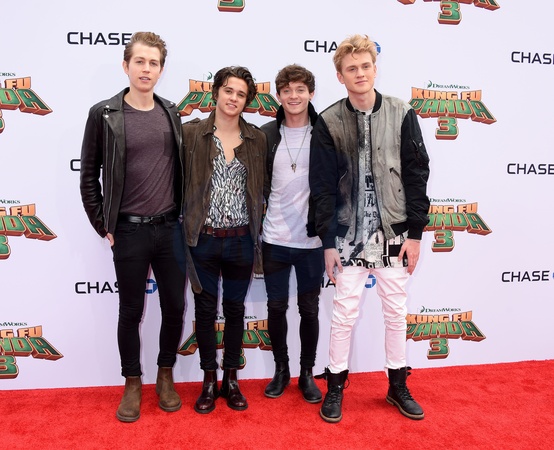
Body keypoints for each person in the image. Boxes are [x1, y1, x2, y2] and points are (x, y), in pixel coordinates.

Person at [309, 34, 430, 423]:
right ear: (340, 76)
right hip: (347, 236)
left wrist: (415, 234)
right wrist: (328, 242)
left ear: (375, 69)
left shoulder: (401, 112)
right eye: (351, 68)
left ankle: (397, 386)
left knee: (396, 312)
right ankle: (335, 387)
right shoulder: (328, 121)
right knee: (343, 314)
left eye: (365, 66)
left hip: (394, 233)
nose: (359, 73)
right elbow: (322, 187)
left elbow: (417, 174)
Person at [80, 32, 186, 423]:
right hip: (128, 231)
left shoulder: (171, 111)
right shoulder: (104, 114)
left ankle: (165, 375)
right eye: (139, 61)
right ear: (126, 66)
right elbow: (88, 175)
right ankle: (132, 381)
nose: (146, 69)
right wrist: (102, 224)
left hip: (170, 228)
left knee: (175, 306)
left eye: (153, 62)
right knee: (131, 310)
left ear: (161, 69)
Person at [182, 66, 266, 413]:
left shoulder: (256, 139)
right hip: (202, 239)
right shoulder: (191, 134)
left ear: (247, 101)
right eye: (228, 91)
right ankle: (208, 380)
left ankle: (231, 380)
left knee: (234, 310)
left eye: (241, 94)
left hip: (242, 241)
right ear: (215, 92)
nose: (233, 98)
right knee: (204, 311)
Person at [260, 64, 324, 403]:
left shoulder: (323, 133)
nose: (294, 96)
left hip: (312, 241)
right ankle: (281, 369)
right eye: (287, 90)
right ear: (279, 95)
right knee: (275, 307)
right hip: (274, 239)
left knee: (309, 310)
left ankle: (307, 373)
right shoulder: (267, 134)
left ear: (311, 93)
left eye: (300, 89)